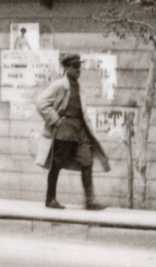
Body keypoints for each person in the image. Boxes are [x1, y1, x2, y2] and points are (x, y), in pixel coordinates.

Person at [34, 53, 109, 210]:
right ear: (67, 68)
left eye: (79, 67)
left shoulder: (79, 87)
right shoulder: (60, 85)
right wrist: (56, 120)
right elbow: (41, 103)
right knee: (57, 163)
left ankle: (90, 201)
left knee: (87, 161)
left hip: (81, 130)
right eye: (75, 67)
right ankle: (50, 199)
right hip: (65, 130)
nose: (78, 70)